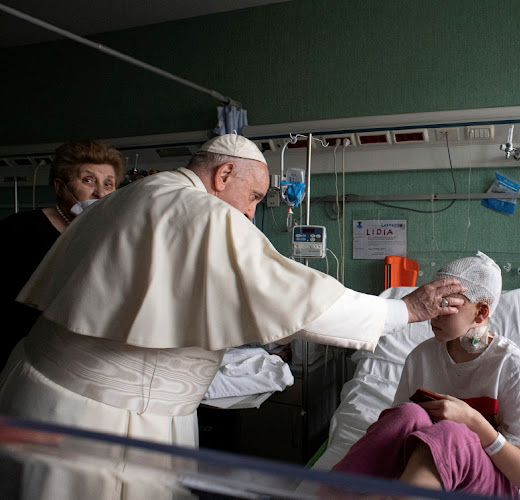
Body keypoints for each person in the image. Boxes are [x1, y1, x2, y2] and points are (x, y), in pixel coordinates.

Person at [0, 133, 466, 448]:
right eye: (254, 197)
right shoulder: (202, 210)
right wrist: (404, 310)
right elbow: (297, 296)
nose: (248, 214)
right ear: (223, 177)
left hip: (44, 393)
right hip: (97, 419)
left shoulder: (134, 195)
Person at [330, 252, 520, 498]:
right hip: (425, 477)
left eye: (446, 304)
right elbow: (399, 438)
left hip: (488, 485)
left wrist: (475, 423)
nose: (432, 312)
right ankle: (335, 492)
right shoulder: (420, 358)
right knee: (405, 414)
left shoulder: (512, 367)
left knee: (449, 433)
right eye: (432, 300)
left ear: (481, 313)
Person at [0, 140, 124, 368]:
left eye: (109, 184)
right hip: (18, 348)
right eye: (88, 181)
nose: (100, 192)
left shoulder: (112, 237)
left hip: (74, 355)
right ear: (60, 187)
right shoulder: (18, 229)